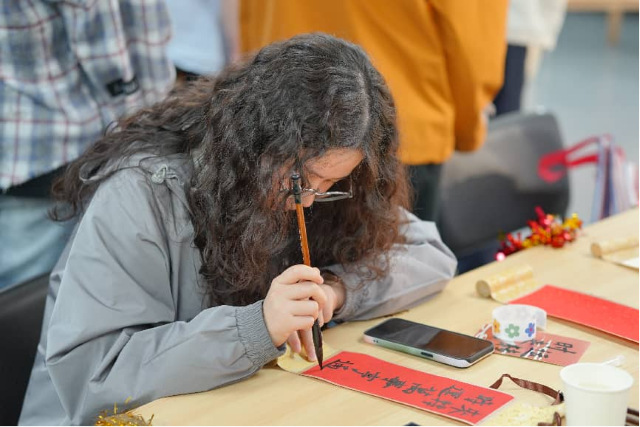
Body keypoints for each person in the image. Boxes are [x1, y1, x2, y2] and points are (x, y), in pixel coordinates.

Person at [19, 34, 457, 427]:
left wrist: (336, 290)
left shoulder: (315, 186)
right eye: (302, 179)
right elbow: (95, 375)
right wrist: (256, 327)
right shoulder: (142, 193)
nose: (308, 201)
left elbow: (429, 253)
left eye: (331, 184)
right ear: (256, 142)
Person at [240, 0, 508, 221]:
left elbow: (249, 15)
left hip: (278, 122)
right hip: (399, 127)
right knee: (392, 259)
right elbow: (473, 42)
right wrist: (468, 127)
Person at [0, 0, 175, 290]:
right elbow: (99, 38)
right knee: (45, 298)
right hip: (58, 146)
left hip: (25, 147)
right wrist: (149, 119)